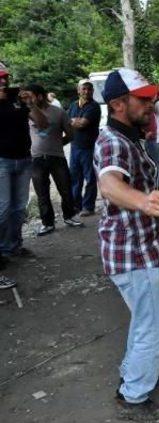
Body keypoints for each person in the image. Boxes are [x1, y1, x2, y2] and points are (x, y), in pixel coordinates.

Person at [94, 68, 159, 423]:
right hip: (135, 255)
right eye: (143, 99)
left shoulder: (127, 138)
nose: (151, 103)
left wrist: (150, 200)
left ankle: (137, 372)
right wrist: (143, 202)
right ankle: (133, 398)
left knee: (145, 322)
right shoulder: (113, 142)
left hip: (135, 251)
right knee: (156, 330)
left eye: (151, 97)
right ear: (117, 104)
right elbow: (109, 185)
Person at [0, 64, 48, 275]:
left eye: (5, 79)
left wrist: (31, 105)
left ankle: (13, 246)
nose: (3, 82)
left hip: (24, 159)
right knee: (2, 207)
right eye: (0, 79)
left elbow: (43, 124)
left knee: (19, 207)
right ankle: (1, 251)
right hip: (2, 161)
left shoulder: (18, 101)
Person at [24, 84, 83, 236]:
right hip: (36, 158)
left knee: (65, 188)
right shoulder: (26, 112)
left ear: (40, 96)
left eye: (30, 96)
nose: (27, 100)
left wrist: (58, 145)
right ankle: (47, 223)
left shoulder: (58, 112)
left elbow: (70, 134)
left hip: (57, 156)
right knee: (41, 192)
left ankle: (69, 216)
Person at [68, 80, 101, 216]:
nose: (87, 91)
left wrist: (71, 120)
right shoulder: (73, 105)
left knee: (90, 178)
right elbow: (68, 121)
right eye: (84, 89)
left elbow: (82, 124)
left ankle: (88, 207)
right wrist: (73, 121)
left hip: (89, 147)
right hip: (75, 146)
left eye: (89, 89)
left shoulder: (94, 106)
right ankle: (77, 205)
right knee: (75, 179)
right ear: (78, 90)